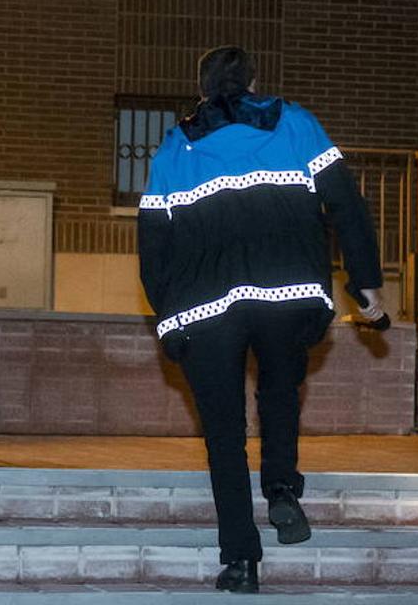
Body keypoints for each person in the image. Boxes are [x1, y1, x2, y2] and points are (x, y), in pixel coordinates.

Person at [137, 47, 384, 594]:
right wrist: (364, 279)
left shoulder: (176, 146)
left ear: (202, 90)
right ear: (254, 82)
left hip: (206, 307)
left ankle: (241, 560)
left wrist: (168, 318)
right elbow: (345, 201)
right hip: (287, 291)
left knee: (223, 436)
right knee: (279, 387)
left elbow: (153, 242)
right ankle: (280, 487)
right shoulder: (296, 123)